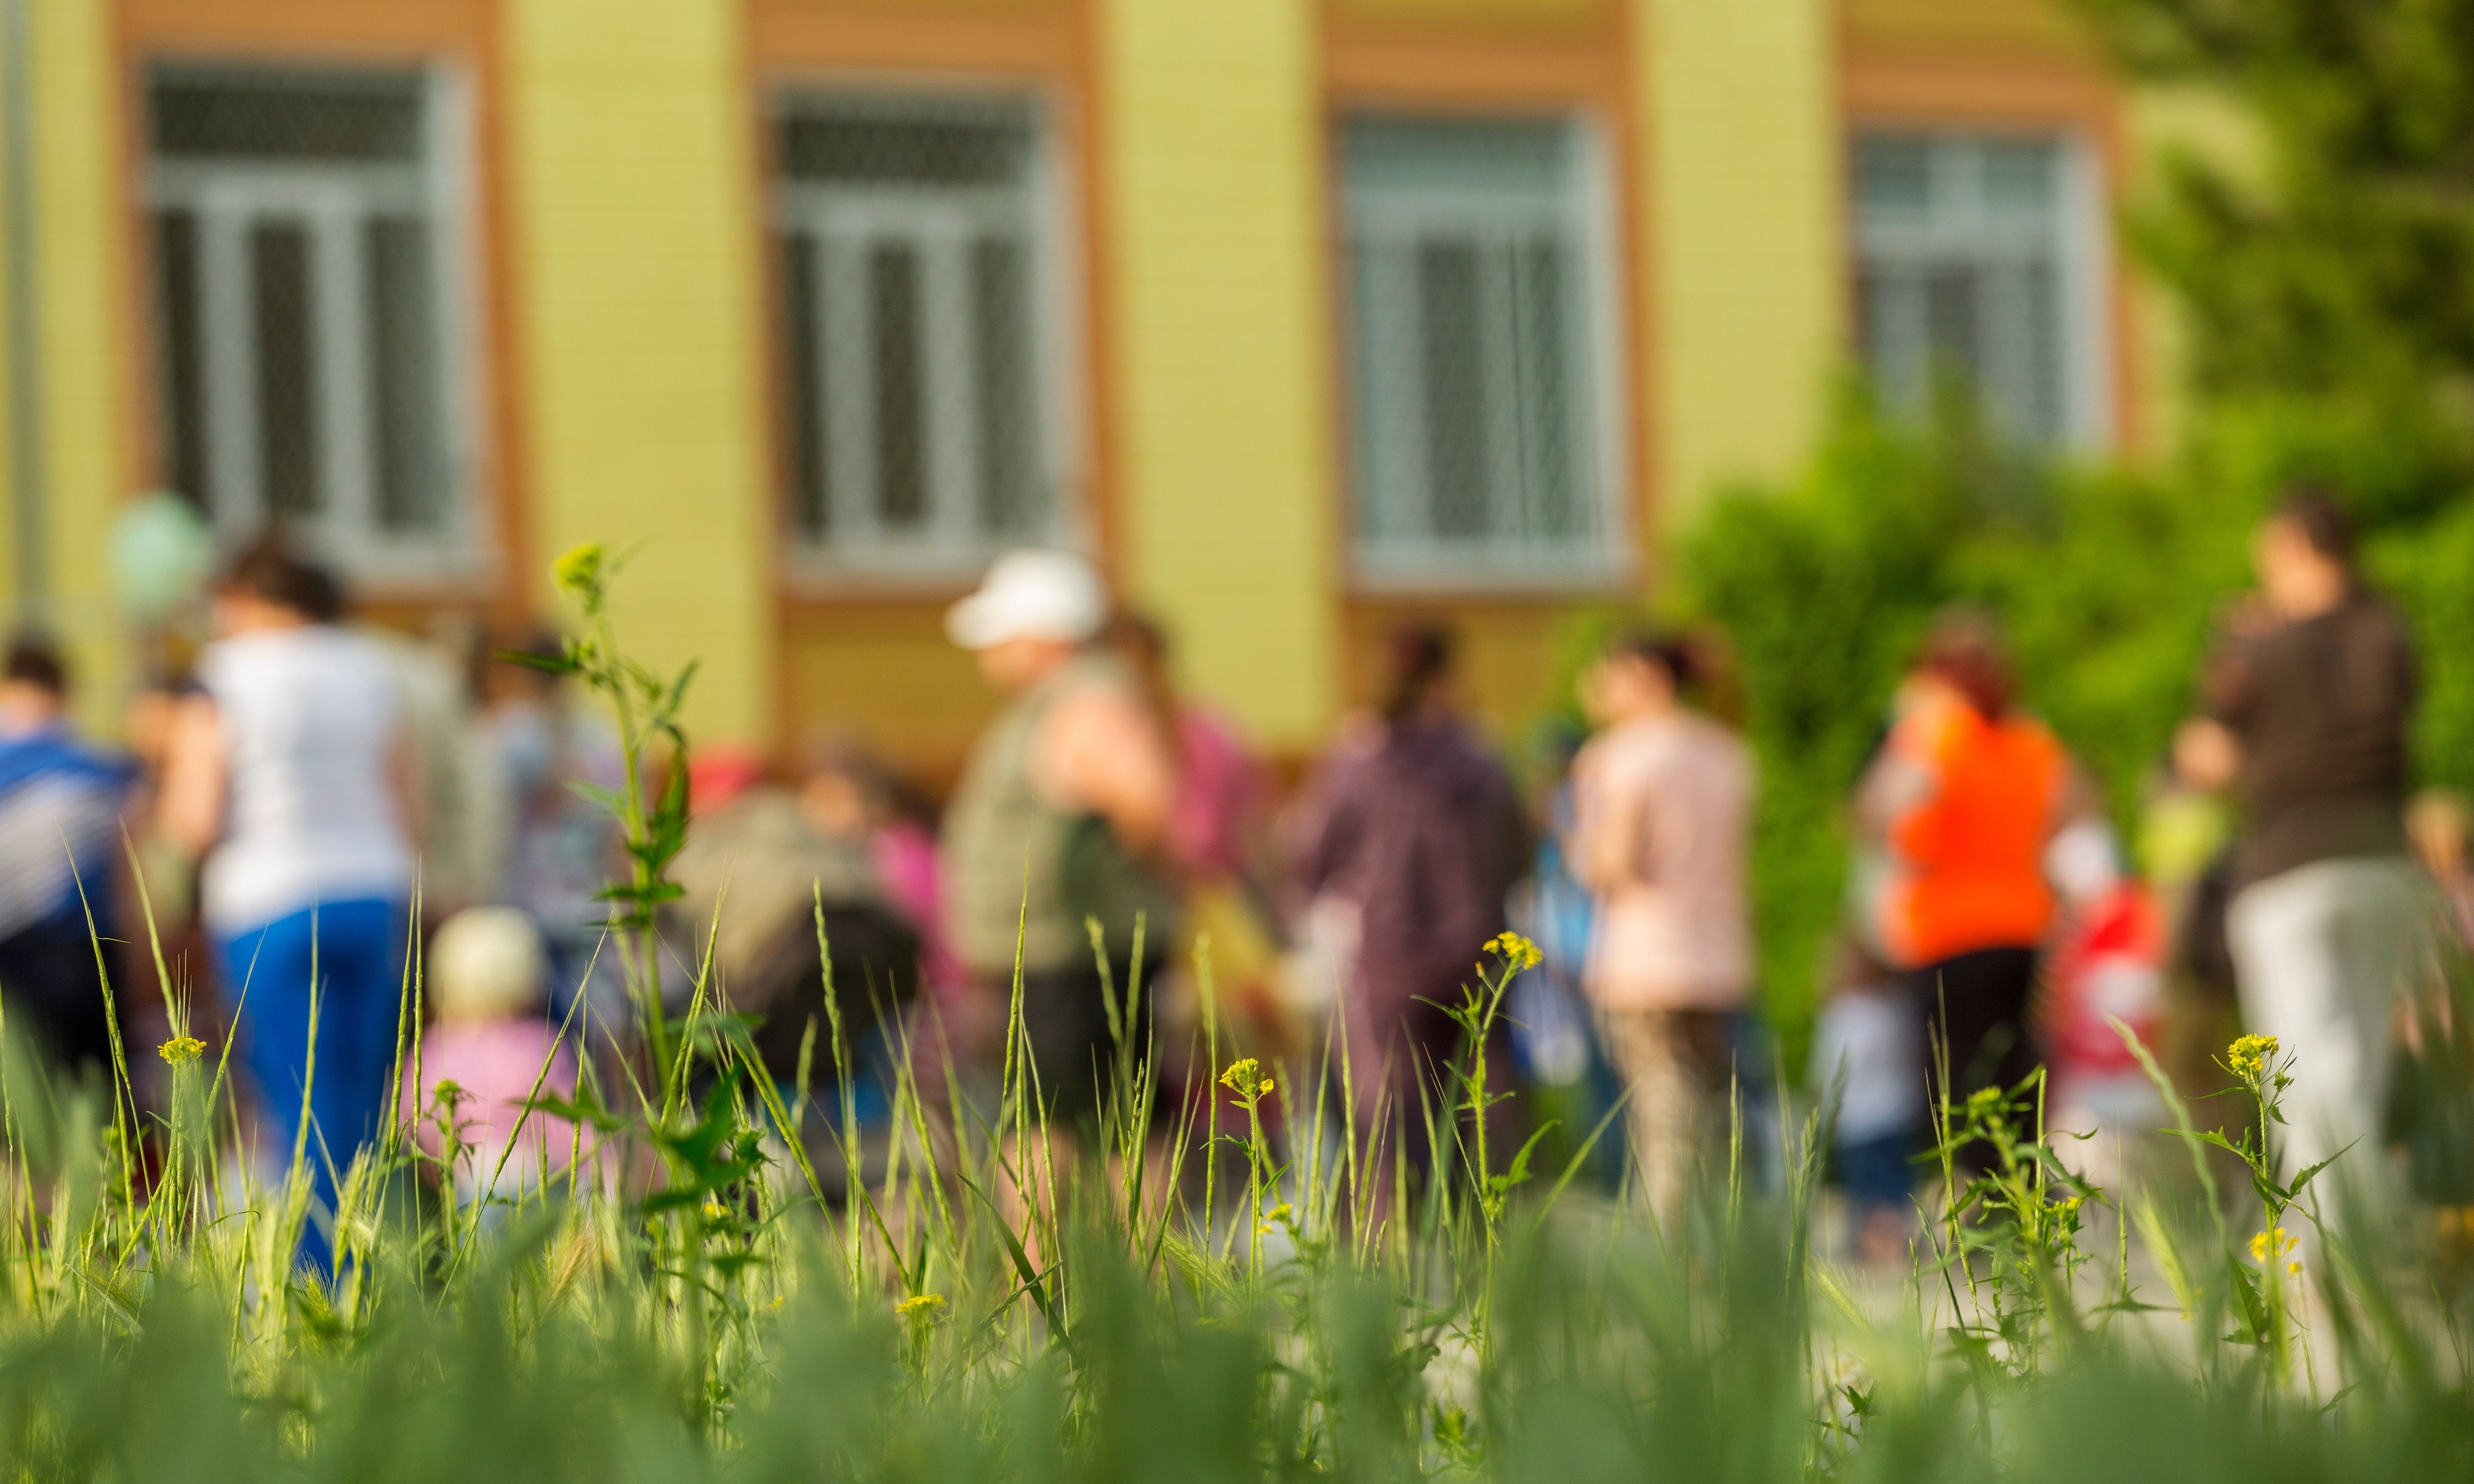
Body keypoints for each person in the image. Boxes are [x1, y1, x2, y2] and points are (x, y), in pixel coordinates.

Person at [159, 538, 415, 1274]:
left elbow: (196, 815)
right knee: (364, 1096)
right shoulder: (370, 665)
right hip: (372, 887)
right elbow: (405, 796)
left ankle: (314, 1280)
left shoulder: (224, 672)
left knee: (296, 1099)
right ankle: (375, 1266)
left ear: (244, 597)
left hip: (267, 896)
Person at [2180, 488, 2422, 1203]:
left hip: (2288, 869)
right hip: (2383, 862)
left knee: (2306, 1065)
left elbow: (2204, 758)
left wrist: (2234, 648)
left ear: (2291, 547)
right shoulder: (2390, 631)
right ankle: (2376, 1234)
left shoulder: (2258, 647)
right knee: (2370, 1064)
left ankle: (2338, 1250)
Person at [941, 552, 1177, 1127]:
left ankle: (1071, 1224)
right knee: (1091, 1122)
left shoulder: (1085, 701)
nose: (987, 654)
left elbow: (1146, 802)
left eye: (1002, 637)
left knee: (1062, 1127)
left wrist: (1110, 888)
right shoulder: (1064, 699)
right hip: (1063, 954)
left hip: (1072, 957)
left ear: (1043, 638)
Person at [1294, 624, 1528, 1183]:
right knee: (1483, 1106)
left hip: (1386, 954)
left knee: (1387, 1111)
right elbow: (1519, 853)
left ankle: (1387, 1254)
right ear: (1448, 677)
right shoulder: (1483, 761)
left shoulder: (1358, 762)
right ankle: (1496, 1252)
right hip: (1480, 949)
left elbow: (1310, 856)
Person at [1855, 610, 2082, 1161]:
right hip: (2021, 924)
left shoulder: (1934, 734)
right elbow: (2065, 814)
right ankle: (2022, 1193)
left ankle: (1980, 1204)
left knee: (1955, 1076)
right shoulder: (2032, 739)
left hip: (1948, 928)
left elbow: (1872, 814)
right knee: (2016, 1067)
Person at [1566, 632, 1757, 1220]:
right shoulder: (1729, 753)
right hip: (1721, 955)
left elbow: (1611, 865)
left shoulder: (1615, 757)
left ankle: (1673, 1248)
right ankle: (1730, 1236)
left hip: (1644, 958)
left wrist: (1575, 844)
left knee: (1660, 1112)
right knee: (1716, 1110)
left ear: (1646, 676)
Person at [0, 636, 134, 1077]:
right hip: (86, 949)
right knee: (98, 1089)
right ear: (62, 693)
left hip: (15, 950)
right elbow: (127, 871)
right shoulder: (101, 769)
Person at [487, 627, 627, 1027]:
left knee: (535, 1033)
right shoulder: (601, 740)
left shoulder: (505, 737)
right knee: (599, 1031)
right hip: (591, 904)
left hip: (521, 903)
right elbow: (620, 833)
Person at [396, 906, 580, 1204]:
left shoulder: (437, 1045)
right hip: (540, 1177)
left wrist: (438, 1161)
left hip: (470, 1178)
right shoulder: (539, 1041)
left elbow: (414, 1113)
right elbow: (569, 1120)